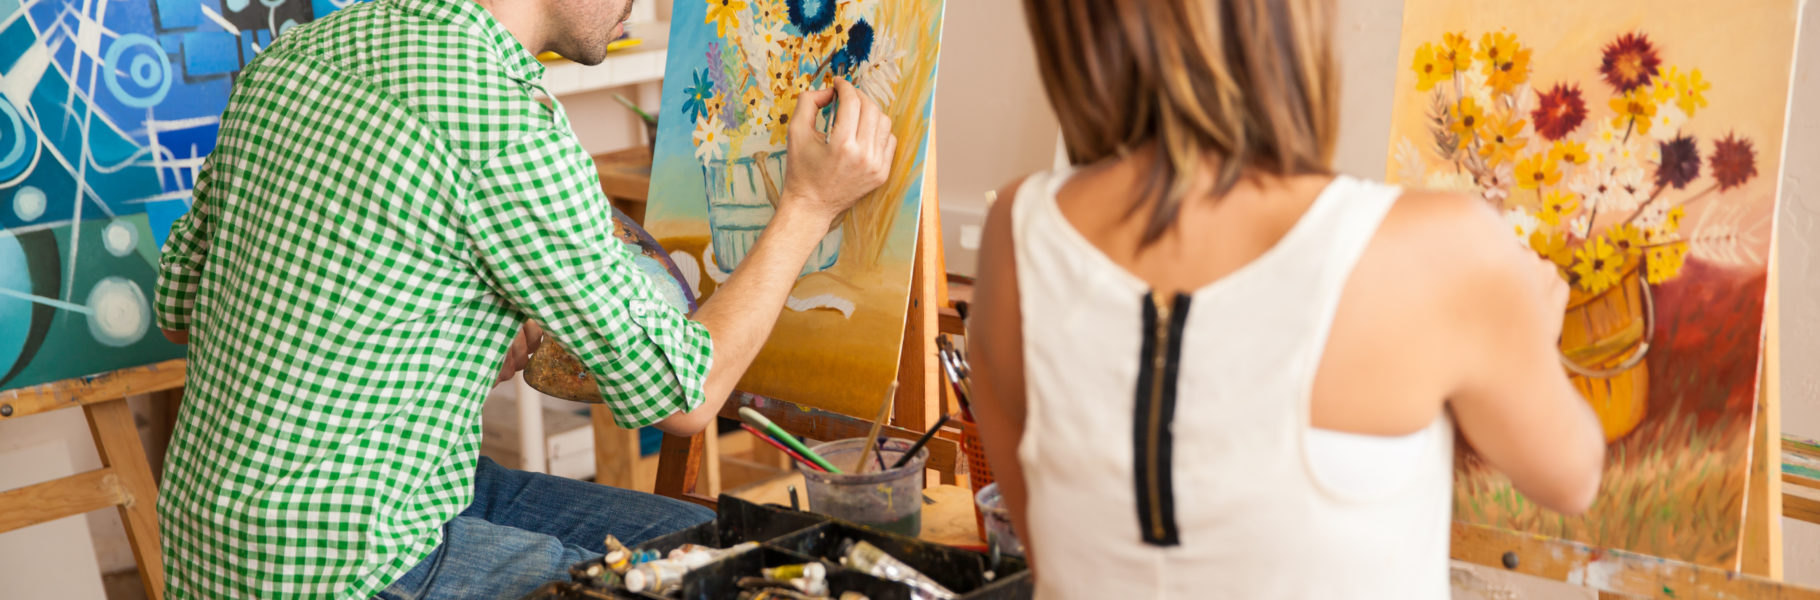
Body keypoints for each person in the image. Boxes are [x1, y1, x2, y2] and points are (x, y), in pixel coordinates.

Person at [150, 0, 898, 595]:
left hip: (221, 536)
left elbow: (180, 306)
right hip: (346, 564)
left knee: (718, 544)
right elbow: (686, 394)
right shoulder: (500, 119)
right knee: (746, 585)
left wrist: (449, 320)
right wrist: (807, 203)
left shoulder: (302, 51)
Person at [967, 1, 1606, 597]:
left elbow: (1053, 540)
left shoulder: (1016, 232)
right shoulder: (1445, 247)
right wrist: (1528, 329)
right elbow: (1572, 476)